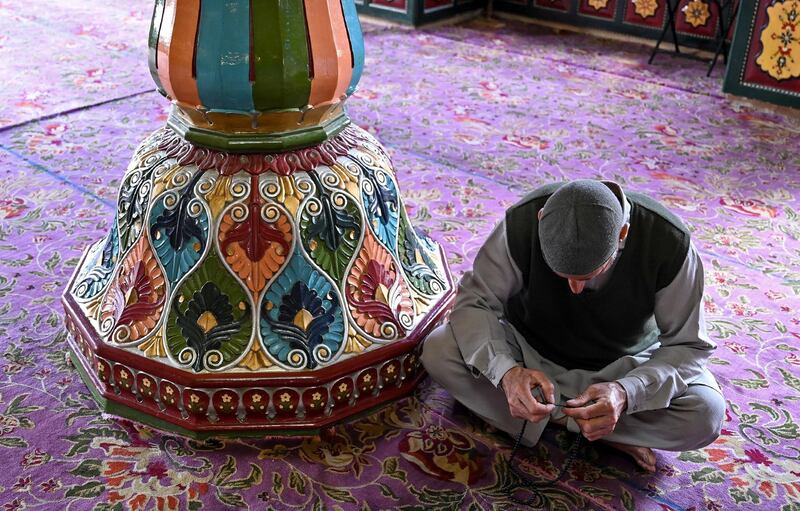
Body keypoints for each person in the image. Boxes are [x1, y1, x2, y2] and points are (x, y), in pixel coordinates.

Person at [421, 179, 725, 472]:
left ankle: (541, 418)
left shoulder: (668, 242)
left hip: (623, 366)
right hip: (529, 354)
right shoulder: (524, 220)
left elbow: (688, 347)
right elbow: (474, 302)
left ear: (623, 234)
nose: (575, 290)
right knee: (438, 349)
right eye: (563, 274)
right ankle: (596, 428)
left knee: (706, 413)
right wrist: (507, 373)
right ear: (542, 221)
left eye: (590, 275)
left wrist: (625, 393)